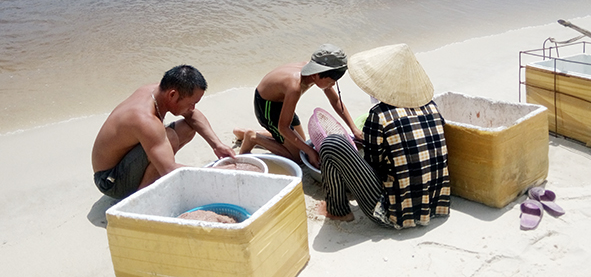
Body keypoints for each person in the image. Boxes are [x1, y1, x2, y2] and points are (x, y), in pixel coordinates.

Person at [316, 44, 451, 229]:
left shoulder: (379, 116)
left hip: (396, 214)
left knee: (332, 143)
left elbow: (375, 166)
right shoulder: (432, 107)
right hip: (435, 204)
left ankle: (337, 210)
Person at [91, 65, 235, 200]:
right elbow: (169, 170)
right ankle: (141, 198)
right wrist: (217, 172)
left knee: (187, 127)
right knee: (169, 137)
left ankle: (149, 182)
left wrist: (217, 145)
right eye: (191, 103)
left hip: (123, 163)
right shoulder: (145, 119)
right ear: (172, 95)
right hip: (111, 181)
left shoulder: (158, 90)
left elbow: (193, 116)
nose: (193, 108)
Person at [233, 44, 363, 168]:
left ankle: (241, 133)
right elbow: (283, 127)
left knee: (301, 141)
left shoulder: (316, 72)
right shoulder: (295, 86)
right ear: (316, 74)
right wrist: (311, 152)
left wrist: (354, 129)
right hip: (268, 106)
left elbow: (335, 101)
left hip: (283, 102)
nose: (333, 85)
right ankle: (252, 137)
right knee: (298, 157)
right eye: (331, 82)